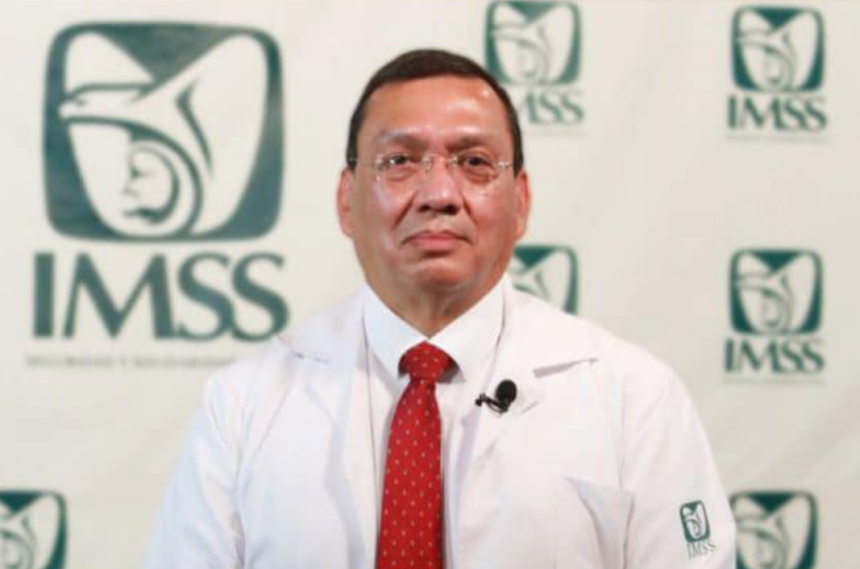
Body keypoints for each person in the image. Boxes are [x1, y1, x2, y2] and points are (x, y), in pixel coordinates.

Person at [143, 49, 736, 569]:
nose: (439, 194)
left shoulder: (633, 400)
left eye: (474, 162)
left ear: (521, 201)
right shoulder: (243, 403)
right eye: (400, 161)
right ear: (347, 200)